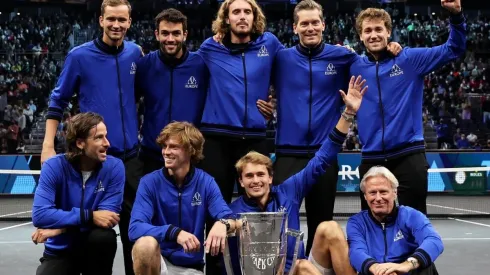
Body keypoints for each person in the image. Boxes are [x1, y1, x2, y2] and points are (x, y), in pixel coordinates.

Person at [272, 0, 402, 256]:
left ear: (323, 25)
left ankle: (313, 272)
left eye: (314, 22)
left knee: (321, 224)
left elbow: (371, 61)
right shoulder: (280, 58)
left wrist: (391, 49)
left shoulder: (343, 56)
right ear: (294, 27)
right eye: (304, 23)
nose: (310, 28)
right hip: (287, 154)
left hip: (324, 154)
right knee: (281, 223)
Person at [42, 1, 144, 274]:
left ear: (130, 22)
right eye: (111, 19)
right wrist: (48, 146)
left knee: (135, 233)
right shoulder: (79, 56)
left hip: (131, 159)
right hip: (95, 162)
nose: (116, 25)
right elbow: (57, 101)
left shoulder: (136, 53)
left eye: (122, 20)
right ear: (100, 20)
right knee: (97, 233)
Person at [228, 75, 367, 274]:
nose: (256, 180)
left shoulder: (288, 191)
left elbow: (322, 159)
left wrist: (348, 113)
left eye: (261, 174)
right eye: (249, 176)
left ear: (270, 177)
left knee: (316, 248)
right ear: (240, 181)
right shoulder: (233, 211)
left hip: (293, 270)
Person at [350, 0, 466, 214]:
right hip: (371, 158)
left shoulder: (409, 59)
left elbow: (454, 48)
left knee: (414, 221)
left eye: (378, 29)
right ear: (360, 36)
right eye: (368, 30)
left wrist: (457, 16)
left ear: (389, 32)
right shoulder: (353, 65)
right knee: (373, 224)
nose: (373, 35)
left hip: (408, 155)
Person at [197, 0, 280, 272]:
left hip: (255, 138)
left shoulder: (270, 44)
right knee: (214, 212)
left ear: (254, 17)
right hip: (216, 139)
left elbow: (293, 70)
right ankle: (217, 269)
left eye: (247, 11)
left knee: (260, 206)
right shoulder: (211, 47)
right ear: (227, 18)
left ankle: (261, 269)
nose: (242, 16)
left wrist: (274, 102)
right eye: (236, 12)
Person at [129, 121, 238, 275]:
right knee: (144, 245)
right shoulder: (149, 182)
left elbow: (231, 218)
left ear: (190, 150)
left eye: (173, 147)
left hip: (190, 268)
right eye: (164, 146)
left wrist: (224, 224)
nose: (166, 152)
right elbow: (135, 228)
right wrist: (174, 232)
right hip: (159, 263)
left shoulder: (206, 182)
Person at [32, 112, 125, 275]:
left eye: (106, 136)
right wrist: (90, 216)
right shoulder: (53, 167)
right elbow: (40, 215)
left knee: (104, 237)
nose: (107, 143)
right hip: (60, 252)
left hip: (94, 250)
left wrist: (59, 229)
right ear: (80, 143)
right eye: (99, 138)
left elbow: (107, 219)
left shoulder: (115, 167)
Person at [135, 8, 209, 174]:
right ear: (156, 34)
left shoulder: (201, 65)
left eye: (176, 33)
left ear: (185, 35)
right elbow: (128, 101)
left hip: (190, 154)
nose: (170, 39)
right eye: (165, 33)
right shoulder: (144, 65)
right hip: (152, 154)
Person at [346, 166, 443, 275]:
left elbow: (434, 240)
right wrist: (378, 269)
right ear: (365, 196)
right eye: (372, 193)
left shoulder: (411, 215)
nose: (378, 198)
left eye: (383, 192)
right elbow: (356, 251)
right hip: (375, 272)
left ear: (394, 193)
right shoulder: (357, 222)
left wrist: (405, 265)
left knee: (426, 264)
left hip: (407, 271)